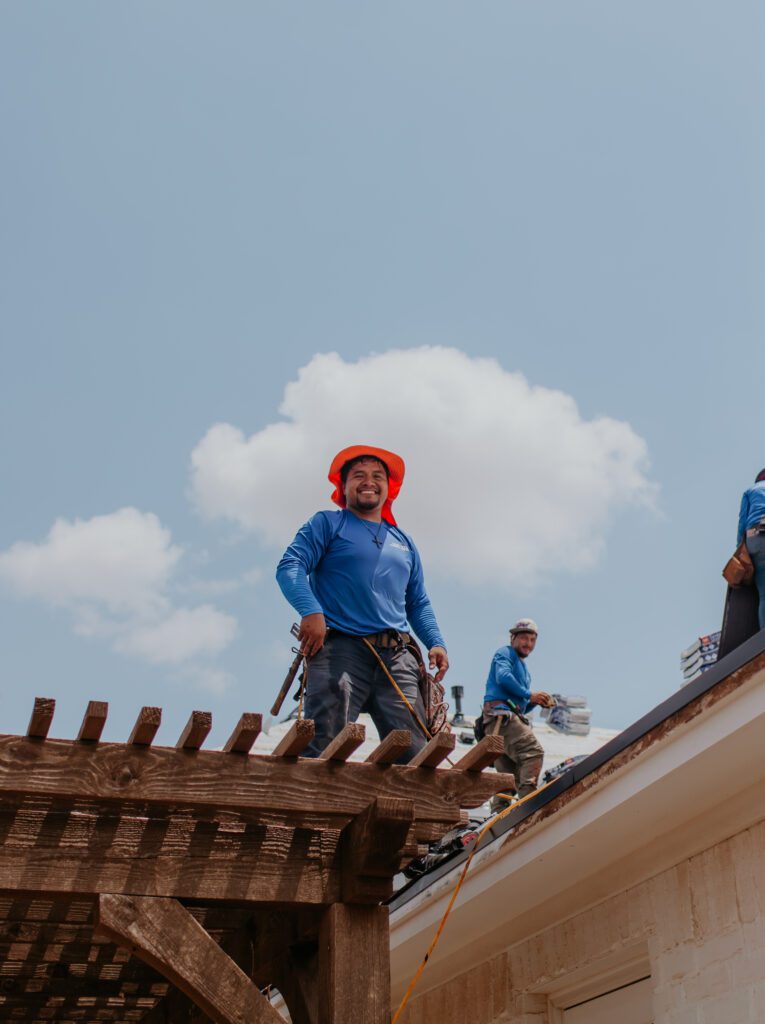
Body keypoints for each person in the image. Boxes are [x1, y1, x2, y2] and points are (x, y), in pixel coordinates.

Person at [276, 444, 449, 760]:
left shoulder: (403, 541)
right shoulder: (329, 523)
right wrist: (310, 609)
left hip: (398, 657)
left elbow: (418, 602)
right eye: (359, 475)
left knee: (412, 751)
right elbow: (291, 566)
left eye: (377, 476)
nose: (368, 482)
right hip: (340, 648)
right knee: (324, 743)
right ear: (343, 487)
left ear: (388, 487)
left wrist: (435, 642)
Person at [482, 618, 555, 812]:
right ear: (513, 638)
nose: (528, 644)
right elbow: (503, 677)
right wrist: (529, 694)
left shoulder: (523, 669)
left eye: (532, 640)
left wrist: (534, 702)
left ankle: (497, 816)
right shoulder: (505, 653)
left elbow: (520, 706)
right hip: (501, 719)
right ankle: (528, 806)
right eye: (523, 638)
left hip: (503, 722)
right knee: (533, 753)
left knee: (509, 778)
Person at [737, 469, 765, 629]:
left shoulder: (750, 491)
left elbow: (742, 523)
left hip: (755, 537)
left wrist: (740, 551)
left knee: (764, 594)